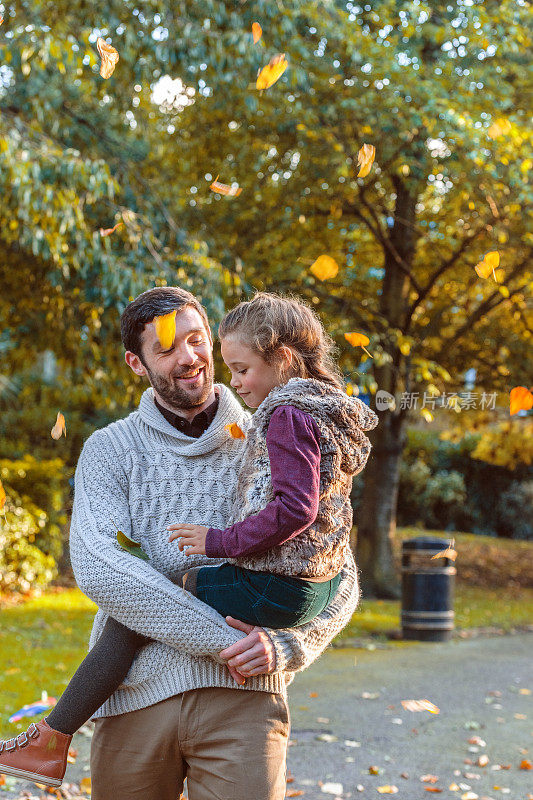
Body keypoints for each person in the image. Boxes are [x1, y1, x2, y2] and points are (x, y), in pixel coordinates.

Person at [0, 287, 373, 800]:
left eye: (196, 340)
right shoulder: (111, 450)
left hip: (243, 701)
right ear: (137, 362)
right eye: (167, 349)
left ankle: (49, 733)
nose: (189, 358)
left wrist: (287, 645)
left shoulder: (275, 430)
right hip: (134, 697)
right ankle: (51, 737)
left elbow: (335, 564)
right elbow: (99, 568)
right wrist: (227, 643)